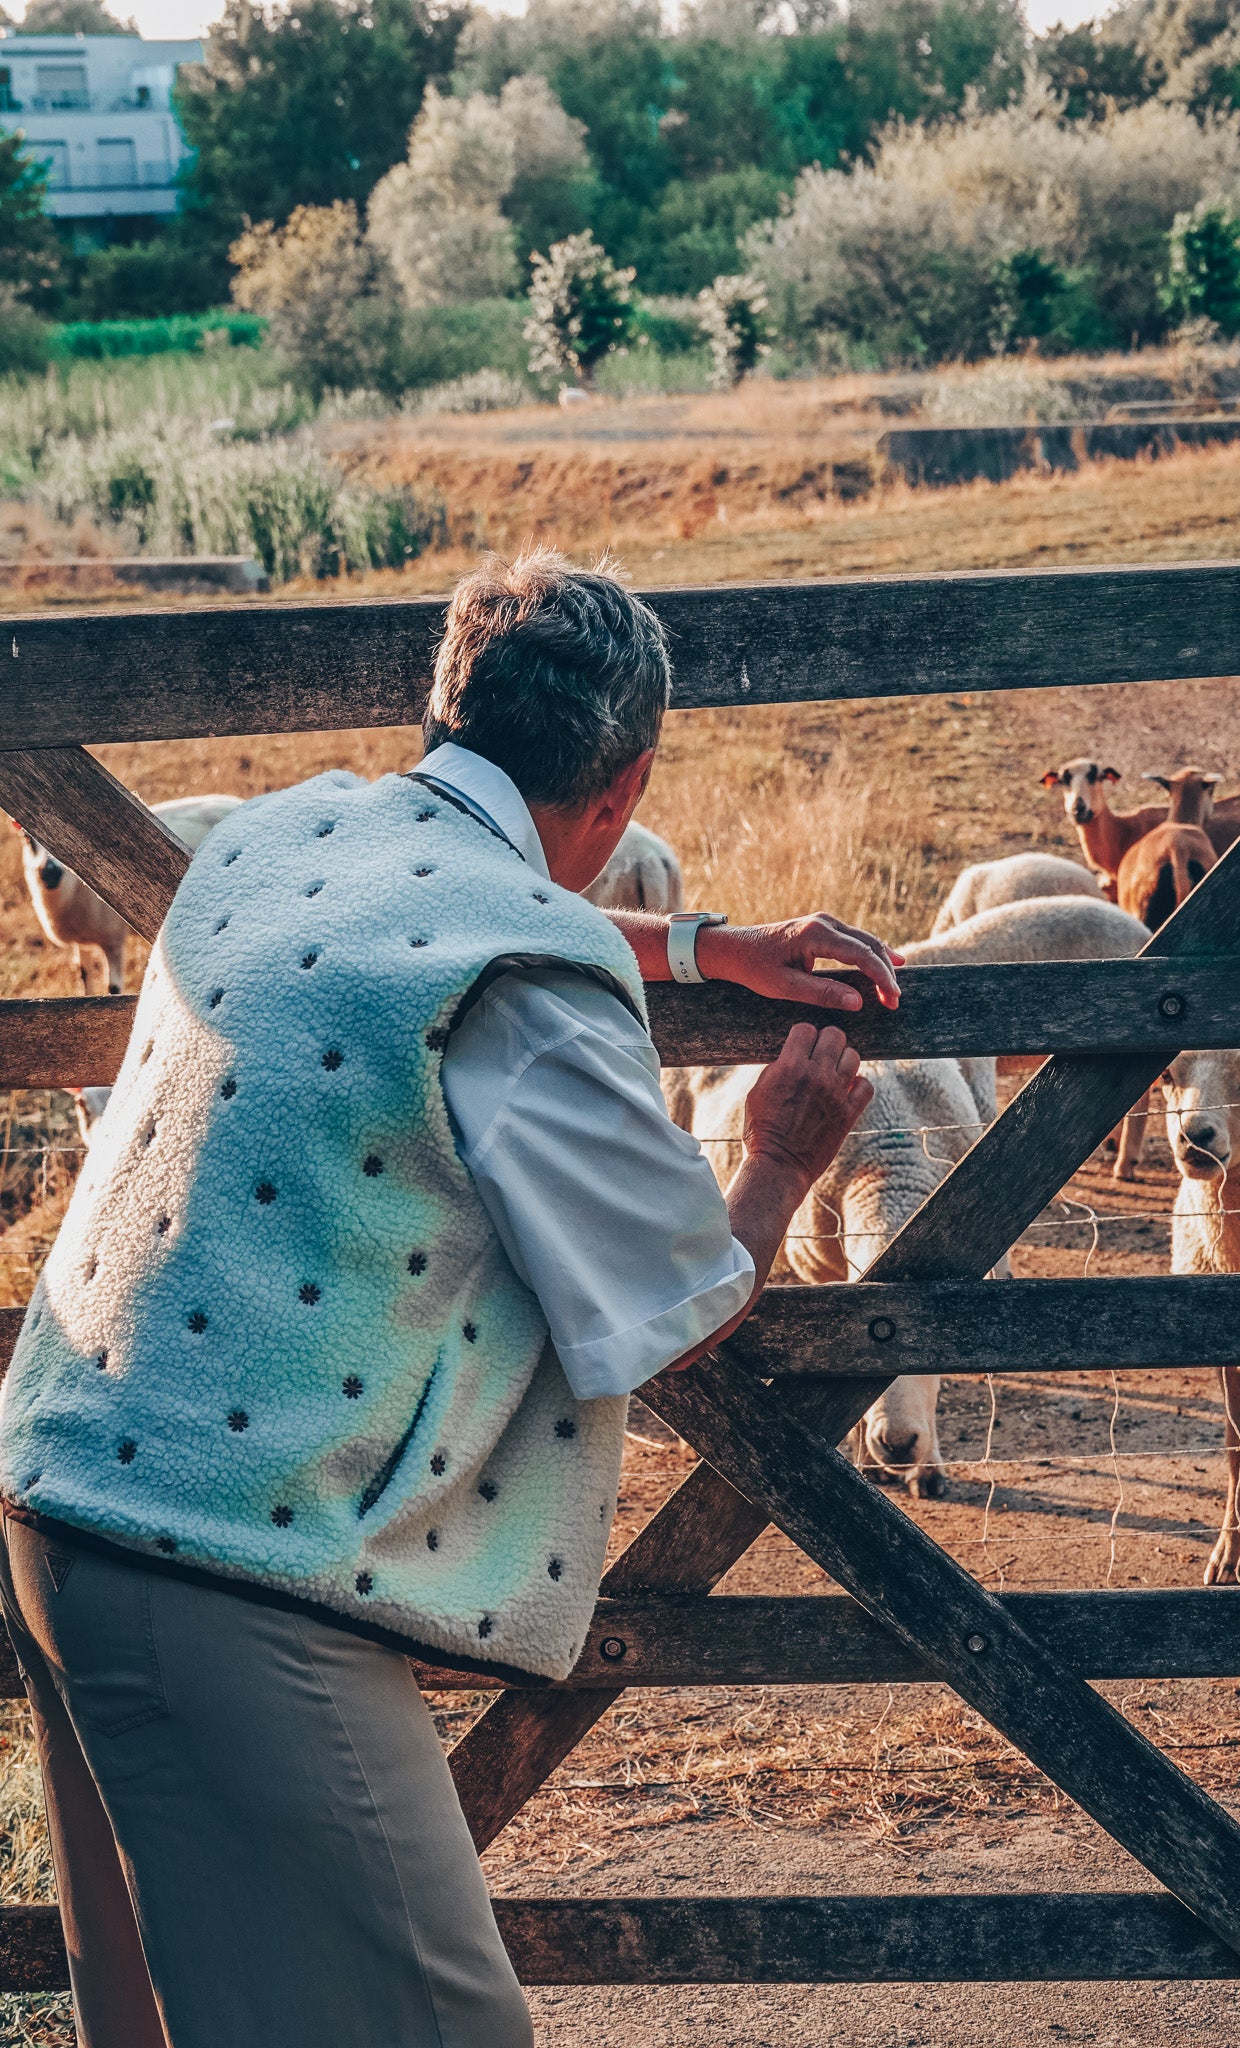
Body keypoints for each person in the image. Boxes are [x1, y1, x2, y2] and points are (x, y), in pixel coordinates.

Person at [0, 548, 901, 2048]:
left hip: (60, 1498)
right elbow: (673, 1302)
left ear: (448, 707)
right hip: (236, 1565)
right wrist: (783, 1159)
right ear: (622, 791)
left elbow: (424, 919)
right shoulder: (530, 988)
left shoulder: (282, 835)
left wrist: (693, 944)